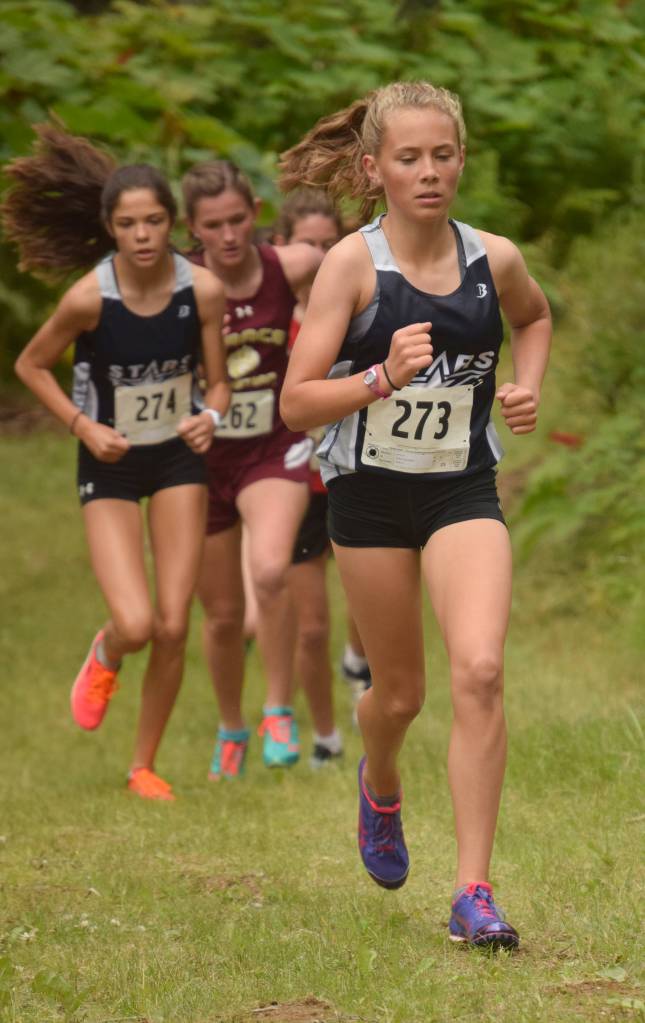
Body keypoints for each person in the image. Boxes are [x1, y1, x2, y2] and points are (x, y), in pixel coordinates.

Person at [279, 81, 551, 948]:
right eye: (408, 158)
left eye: (442, 155)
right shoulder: (351, 267)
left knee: (478, 669)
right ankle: (381, 781)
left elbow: (534, 317)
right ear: (374, 169)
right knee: (397, 695)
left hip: (459, 488)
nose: (429, 172)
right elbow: (295, 403)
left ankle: (472, 889)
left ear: (459, 160)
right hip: (367, 496)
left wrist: (525, 384)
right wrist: (380, 377)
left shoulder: (492, 258)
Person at [4, 125, 229, 801]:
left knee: (172, 620)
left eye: (154, 221)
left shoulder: (204, 292)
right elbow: (30, 364)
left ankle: (142, 765)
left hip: (175, 460)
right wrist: (82, 425)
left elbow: (217, 383)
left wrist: (209, 416)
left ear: (172, 223)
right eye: (128, 224)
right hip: (110, 461)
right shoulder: (87, 298)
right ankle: (105, 653)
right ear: (110, 228)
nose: (142, 235)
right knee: (135, 623)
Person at [181, 161, 323, 778]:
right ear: (194, 228)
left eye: (238, 219)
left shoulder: (293, 266)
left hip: (272, 447)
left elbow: (340, 313)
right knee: (220, 615)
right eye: (214, 225)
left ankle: (278, 709)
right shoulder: (179, 282)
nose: (229, 235)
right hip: (201, 458)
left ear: (257, 216)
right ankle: (231, 727)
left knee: (270, 570)